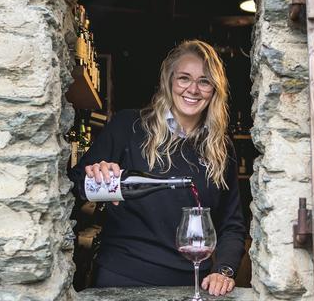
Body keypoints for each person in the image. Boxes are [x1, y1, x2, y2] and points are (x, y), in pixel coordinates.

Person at [68, 40, 245, 297]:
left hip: (192, 282)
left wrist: (224, 269)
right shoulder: (127, 126)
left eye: (204, 81)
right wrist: (95, 174)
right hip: (122, 278)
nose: (193, 89)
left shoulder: (221, 147)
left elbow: (232, 224)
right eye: (184, 78)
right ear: (168, 81)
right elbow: (73, 187)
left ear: (215, 89)